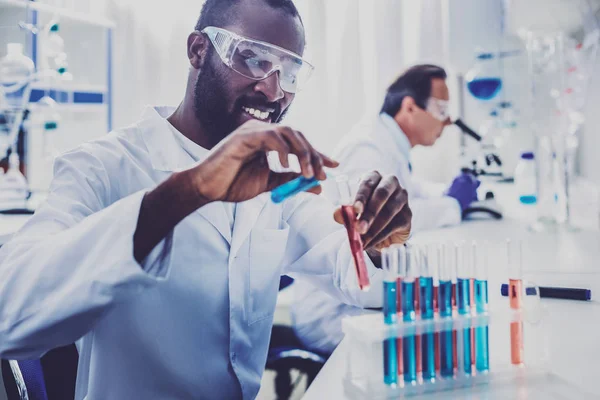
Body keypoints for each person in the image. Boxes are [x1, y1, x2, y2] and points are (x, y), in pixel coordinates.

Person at [0, 1, 412, 398]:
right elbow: (11, 314)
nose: (273, 90)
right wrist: (190, 190)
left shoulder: (273, 178)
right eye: (253, 59)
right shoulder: (101, 168)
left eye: (289, 73)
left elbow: (355, 275)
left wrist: (373, 242)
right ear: (199, 50)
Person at [291, 64, 480, 355]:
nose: (448, 121)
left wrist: (447, 193)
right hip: (334, 309)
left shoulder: (388, 144)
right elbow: (381, 222)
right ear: (409, 107)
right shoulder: (368, 148)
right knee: (440, 346)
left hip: (364, 293)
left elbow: (410, 192)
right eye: (441, 110)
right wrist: (452, 204)